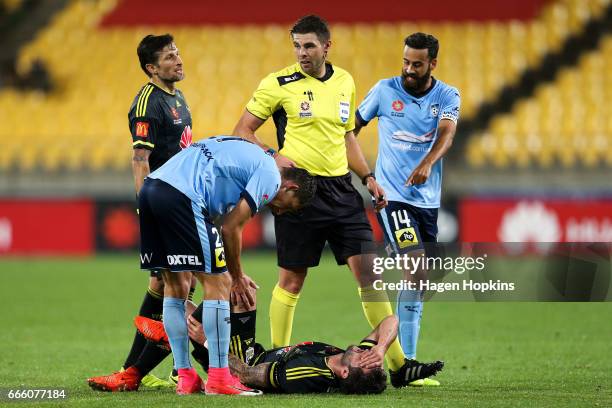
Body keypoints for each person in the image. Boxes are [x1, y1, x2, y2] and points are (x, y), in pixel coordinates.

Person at [232, 14, 420, 388]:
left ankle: (399, 367)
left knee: (369, 274)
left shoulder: (345, 81)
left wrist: (368, 177)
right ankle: (276, 359)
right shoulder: (277, 84)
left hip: (342, 190)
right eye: (297, 46)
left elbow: (347, 137)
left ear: (326, 46)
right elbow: (242, 131)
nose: (302, 53)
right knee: (292, 279)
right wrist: (272, 154)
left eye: (309, 46)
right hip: (298, 193)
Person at [137, 136, 316, 395]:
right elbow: (230, 227)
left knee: (177, 285)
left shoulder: (248, 155)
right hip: (181, 196)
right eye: (288, 207)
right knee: (220, 283)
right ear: (291, 187)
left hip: (151, 190)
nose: (279, 212)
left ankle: (186, 376)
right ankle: (220, 378)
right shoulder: (271, 175)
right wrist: (238, 276)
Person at [88, 33, 197, 392]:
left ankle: (135, 370)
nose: (178, 60)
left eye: (177, 52)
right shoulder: (148, 103)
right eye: (169, 56)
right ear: (151, 67)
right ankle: (151, 370)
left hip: (183, 201)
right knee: (178, 283)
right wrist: (146, 206)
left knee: (169, 283)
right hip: (164, 204)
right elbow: (140, 158)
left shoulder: (177, 97)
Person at [354, 32, 460, 386]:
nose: (408, 70)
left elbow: (446, 133)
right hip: (391, 196)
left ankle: (407, 364)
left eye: (416, 64)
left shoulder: (447, 95)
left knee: (419, 277)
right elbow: (349, 128)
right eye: (405, 62)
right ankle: (406, 364)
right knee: (413, 264)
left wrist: (428, 162)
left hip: (427, 201)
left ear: (432, 64)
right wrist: (365, 175)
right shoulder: (384, 91)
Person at [134, 292, 444, 394]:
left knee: (202, 300)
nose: (365, 353)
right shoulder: (351, 358)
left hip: (234, 358)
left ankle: (166, 338)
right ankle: (170, 314)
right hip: (251, 348)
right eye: (369, 354)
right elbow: (391, 322)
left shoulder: (306, 374)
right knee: (241, 288)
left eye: (365, 359)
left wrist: (208, 343)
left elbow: (244, 376)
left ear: (346, 374)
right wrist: (380, 348)